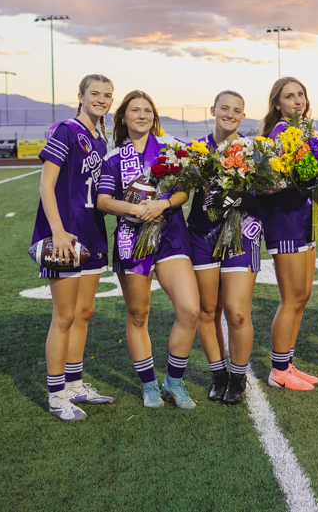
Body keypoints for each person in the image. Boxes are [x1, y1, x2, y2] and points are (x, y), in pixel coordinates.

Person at [96, 90, 200, 410]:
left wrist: (164, 203)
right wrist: (135, 209)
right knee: (139, 314)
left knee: (189, 309)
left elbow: (185, 190)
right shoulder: (113, 158)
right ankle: (149, 385)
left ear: (154, 116)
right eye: (135, 110)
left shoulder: (170, 149)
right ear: (123, 117)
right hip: (132, 239)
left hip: (170, 238)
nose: (142, 115)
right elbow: (102, 201)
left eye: (147, 111)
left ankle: (174, 380)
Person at [33, 74, 115, 421]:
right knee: (64, 316)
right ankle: (55, 395)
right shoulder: (66, 129)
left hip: (92, 233)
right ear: (80, 96)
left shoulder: (100, 138)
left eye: (107, 95)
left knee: (83, 313)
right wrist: (59, 231)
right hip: (66, 235)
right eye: (94, 93)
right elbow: (46, 183)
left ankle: (76, 383)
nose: (101, 99)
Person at [188, 90, 262, 405]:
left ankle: (238, 378)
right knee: (208, 311)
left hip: (242, 234)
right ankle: (218, 375)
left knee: (237, 313)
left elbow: (265, 193)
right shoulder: (197, 150)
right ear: (213, 110)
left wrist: (239, 197)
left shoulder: (253, 149)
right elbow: (181, 188)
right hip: (202, 234)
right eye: (224, 108)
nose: (230, 114)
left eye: (236, 110)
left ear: (243, 116)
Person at [261, 77, 318, 391]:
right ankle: (278, 371)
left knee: (303, 296)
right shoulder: (281, 133)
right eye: (289, 96)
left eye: (301, 94)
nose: (297, 100)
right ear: (277, 103)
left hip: (303, 220)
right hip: (285, 221)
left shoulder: (303, 130)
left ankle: (287, 362)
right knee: (292, 298)